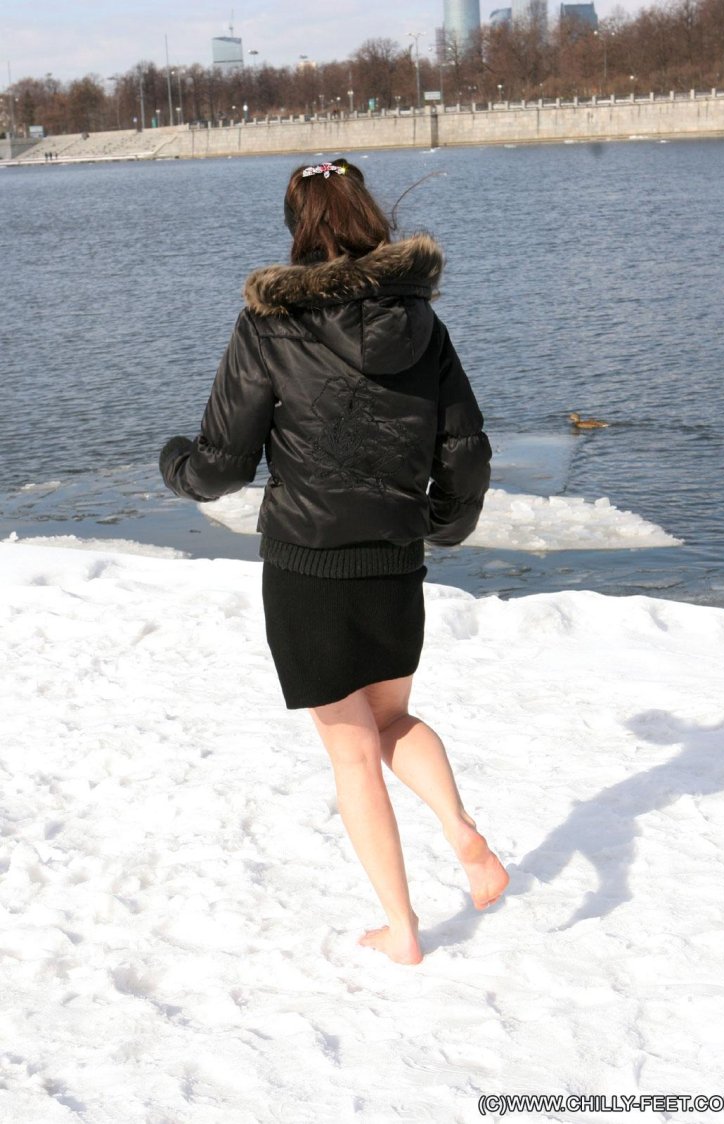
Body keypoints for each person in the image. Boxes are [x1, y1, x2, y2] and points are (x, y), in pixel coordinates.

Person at [160, 157, 508, 964]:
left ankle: (404, 929)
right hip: (393, 556)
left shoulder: (268, 325)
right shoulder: (422, 322)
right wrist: (444, 525)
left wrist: (174, 462)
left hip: (308, 565)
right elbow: (468, 450)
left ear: (298, 226)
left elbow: (222, 463)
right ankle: (463, 835)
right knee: (392, 721)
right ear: (367, 214)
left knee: (353, 751)